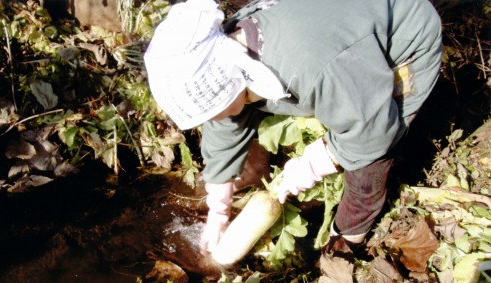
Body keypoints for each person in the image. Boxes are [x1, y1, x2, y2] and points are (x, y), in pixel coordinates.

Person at [144, 0, 442, 254]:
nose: (213, 118)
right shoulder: (232, 48)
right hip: (342, 35)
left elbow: (371, 130)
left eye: (213, 109)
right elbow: (226, 120)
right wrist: (219, 198)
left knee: (369, 158)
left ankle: (347, 240)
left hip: (404, 35)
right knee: (243, 108)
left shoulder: (315, 68)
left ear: (228, 82)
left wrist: (315, 163)